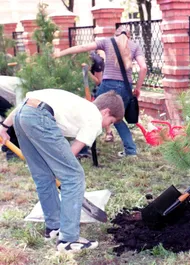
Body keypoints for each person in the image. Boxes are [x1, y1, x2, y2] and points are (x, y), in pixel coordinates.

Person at [0, 89, 124, 252]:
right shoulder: (95, 117)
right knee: (74, 176)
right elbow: (71, 155)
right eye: (111, 122)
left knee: (43, 176)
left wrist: (3, 126)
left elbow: (27, 102)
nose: (108, 126)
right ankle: (69, 240)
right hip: (38, 118)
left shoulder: (77, 104)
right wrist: (61, 169)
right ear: (106, 111)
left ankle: (54, 227)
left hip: (21, 115)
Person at [54, 25, 147, 158]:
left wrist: (60, 53)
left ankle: (82, 148)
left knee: (90, 115)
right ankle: (131, 151)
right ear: (129, 35)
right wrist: (137, 88)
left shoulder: (107, 41)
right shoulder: (135, 46)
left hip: (107, 85)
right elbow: (143, 68)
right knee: (118, 120)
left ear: (116, 34)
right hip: (126, 88)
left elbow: (83, 47)